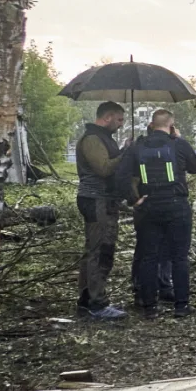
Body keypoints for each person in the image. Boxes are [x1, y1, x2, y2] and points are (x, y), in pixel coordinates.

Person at [115, 109, 196, 318]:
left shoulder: (137, 146)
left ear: (151, 125)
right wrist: (179, 139)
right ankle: (181, 306)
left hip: (148, 207)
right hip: (176, 205)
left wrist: (134, 199)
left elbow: (121, 175)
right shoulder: (178, 144)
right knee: (179, 257)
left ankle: (149, 308)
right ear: (171, 126)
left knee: (148, 257)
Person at [75, 101, 128, 320]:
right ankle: (95, 304)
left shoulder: (104, 138)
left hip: (105, 200)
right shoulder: (92, 139)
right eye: (119, 119)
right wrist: (125, 153)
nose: (121, 124)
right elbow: (104, 168)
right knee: (97, 251)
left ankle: (90, 299)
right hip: (95, 199)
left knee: (103, 249)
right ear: (107, 117)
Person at [128, 118, 175, 305]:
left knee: (159, 247)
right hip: (147, 206)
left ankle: (160, 286)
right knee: (146, 249)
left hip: (158, 204)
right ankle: (143, 288)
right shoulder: (139, 149)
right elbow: (128, 177)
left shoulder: (161, 148)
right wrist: (135, 199)